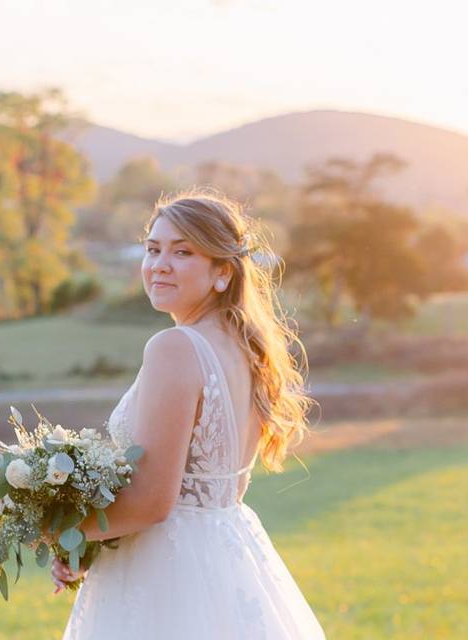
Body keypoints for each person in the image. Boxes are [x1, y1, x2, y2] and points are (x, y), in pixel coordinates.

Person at [54, 188, 326, 639]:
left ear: (223, 273)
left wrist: (62, 529)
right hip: (227, 556)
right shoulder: (246, 349)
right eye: (153, 249)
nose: (160, 264)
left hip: (166, 573)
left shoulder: (175, 348)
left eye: (182, 252)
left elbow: (153, 503)